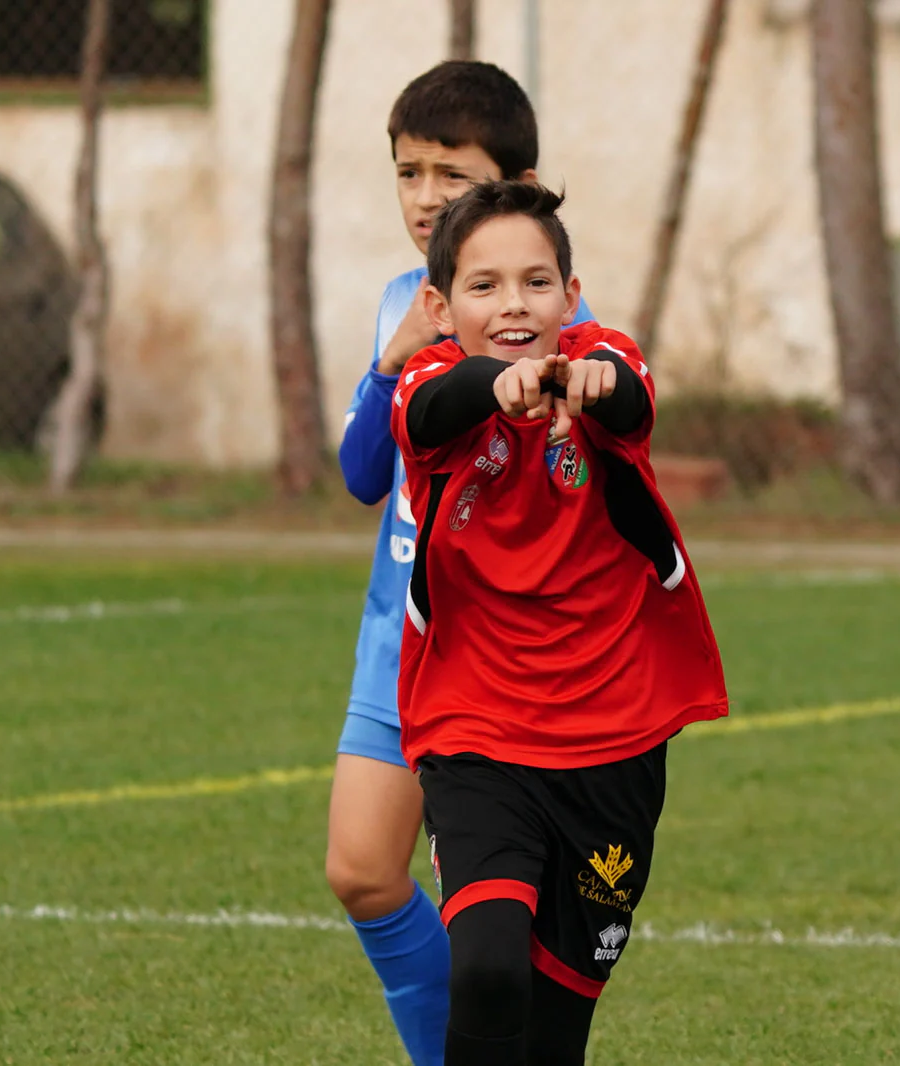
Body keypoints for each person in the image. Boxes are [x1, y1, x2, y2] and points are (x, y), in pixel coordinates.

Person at [389, 180, 729, 1065]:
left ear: (571, 297)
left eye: (537, 283)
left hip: (614, 735)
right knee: (489, 969)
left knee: (556, 1024)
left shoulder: (605, 355)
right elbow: (430, 410)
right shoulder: (433, 379)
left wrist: (593, 385)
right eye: (485, 285)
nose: (513, 305)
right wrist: (494, 387)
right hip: (477, 729)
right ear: (441, 304)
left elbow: (633, 401)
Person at [330, 62, 593, 1066]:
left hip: (499, 651)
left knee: (499, 920)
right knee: (361, 868)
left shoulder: (544, 310)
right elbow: (362, 474)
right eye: (409, 172)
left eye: (454, 173)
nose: (428, 197)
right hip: (394, 632)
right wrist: (395, 352)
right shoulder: (408, 298)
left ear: (516, 183)